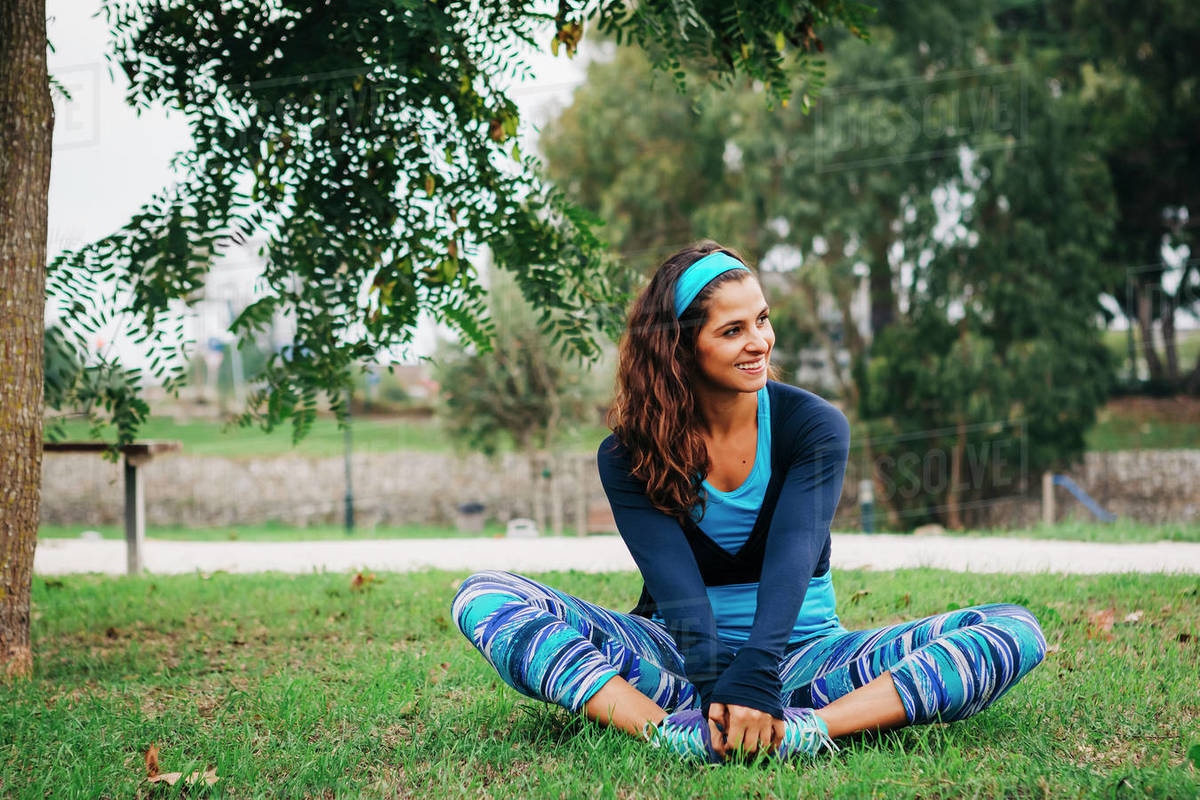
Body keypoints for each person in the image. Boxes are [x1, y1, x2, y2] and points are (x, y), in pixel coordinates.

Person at [451, 241, 1047, 763]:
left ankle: (802, 730)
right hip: (677, 661)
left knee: (1012, 630)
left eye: (761, 320)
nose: (759, 342)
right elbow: (678, 592)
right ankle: (671, 733)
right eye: (732, 330)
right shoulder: (627, 453)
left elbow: (792, 556)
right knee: (484, 596)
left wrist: (758, 677)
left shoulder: (811, 426)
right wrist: (716, 682)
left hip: (805, 662)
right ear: (681, 349)